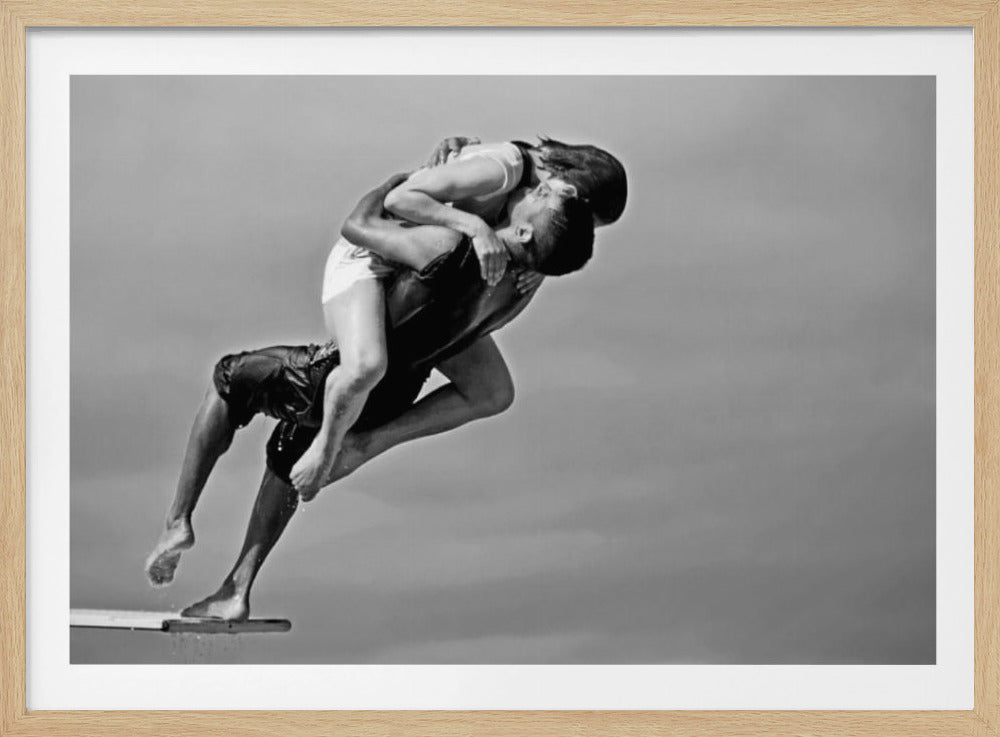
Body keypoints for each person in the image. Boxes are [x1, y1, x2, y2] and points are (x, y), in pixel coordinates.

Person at [143, 174, 596, 617]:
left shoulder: (449, 248)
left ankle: (177, 521)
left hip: (332, 381)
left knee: (228, 381)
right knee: (286, 456)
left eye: (538, 196)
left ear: (522, 231)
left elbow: (357, 225)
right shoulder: (515, 295)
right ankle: (236, 589)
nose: (531, 188)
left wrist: (397, 186)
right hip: (389, 401)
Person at [289, 136, 627, 495]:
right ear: (570, 190)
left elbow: (537, 234)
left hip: (427, 278)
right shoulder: (503, 169)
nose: (575, 228)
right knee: (368, 366)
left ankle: (370, 443)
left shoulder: (530, 195)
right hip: (375, 253)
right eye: (584, 222)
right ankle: (324, 446)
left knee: (494, 392)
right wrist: (476, 227)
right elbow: (398, 200)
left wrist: (543, 263)